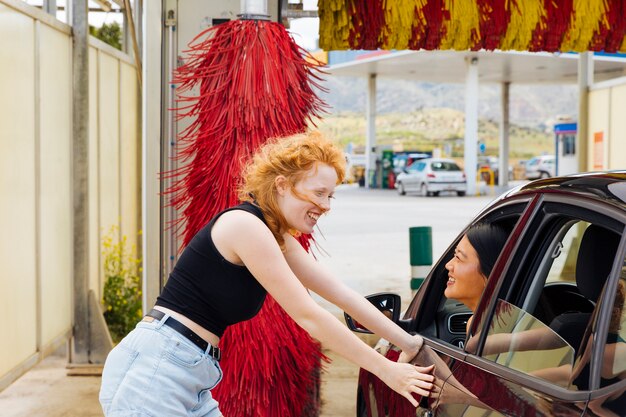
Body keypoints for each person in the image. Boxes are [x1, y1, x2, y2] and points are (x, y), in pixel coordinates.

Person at [99, 131, 434, 417]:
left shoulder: (274, 235)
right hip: (158, 368)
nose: (327, 206)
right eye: (319, 193)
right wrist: (387, 371)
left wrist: (412, 344)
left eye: (330, 196)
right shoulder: (246, 226)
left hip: (188, 369)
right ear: (282, 185)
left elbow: (340, 294)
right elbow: (309, 316)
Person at [444, 222, 509, 331]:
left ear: (490, 275)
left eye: (458, 258)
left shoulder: (486, 328)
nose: (448, 265)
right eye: (454, 255)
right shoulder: (499, 320)